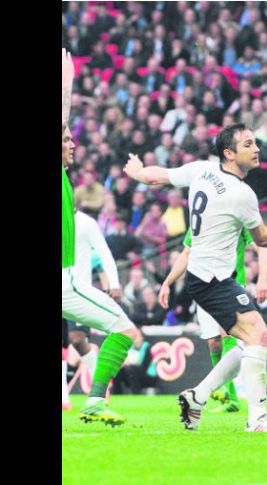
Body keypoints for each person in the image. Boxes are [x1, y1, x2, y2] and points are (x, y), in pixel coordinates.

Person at [123, 122, 267, 433]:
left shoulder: (201, 169)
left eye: (255, 142)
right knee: (258, 336)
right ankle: (257, 420)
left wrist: (136, 172)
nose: (256, 148)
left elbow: (157, 176)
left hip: (204, 277)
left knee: (253, 339)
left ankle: (198, 397)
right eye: (247, 144)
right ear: (229, 154)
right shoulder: (242, 194)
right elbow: (264, 239)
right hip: (212, 279)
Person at [62, 49, 143, 426]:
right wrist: (67, 88)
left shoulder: (75, 198)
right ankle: (94, 401)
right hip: (68, 284)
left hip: (73, 282)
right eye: (66, 139)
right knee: (126, 330)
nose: (73, 143)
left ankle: (94, 400)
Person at [160, 225, 267, 413]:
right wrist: (167, 282)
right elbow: (186, 254)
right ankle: (229, 397)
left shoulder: (236, 219)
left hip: (231, 285)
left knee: (225, 333)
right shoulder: (199, 221)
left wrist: (262, 279)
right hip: (205, 288)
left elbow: (262, 247)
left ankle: (229, 395)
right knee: (214, 344)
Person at [63, 210, 124, 410]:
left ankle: (101, 384)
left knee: (77, 340)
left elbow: (103, 253)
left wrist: (113, 283)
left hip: (78, 292)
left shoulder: (85, 223)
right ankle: (64, 398)